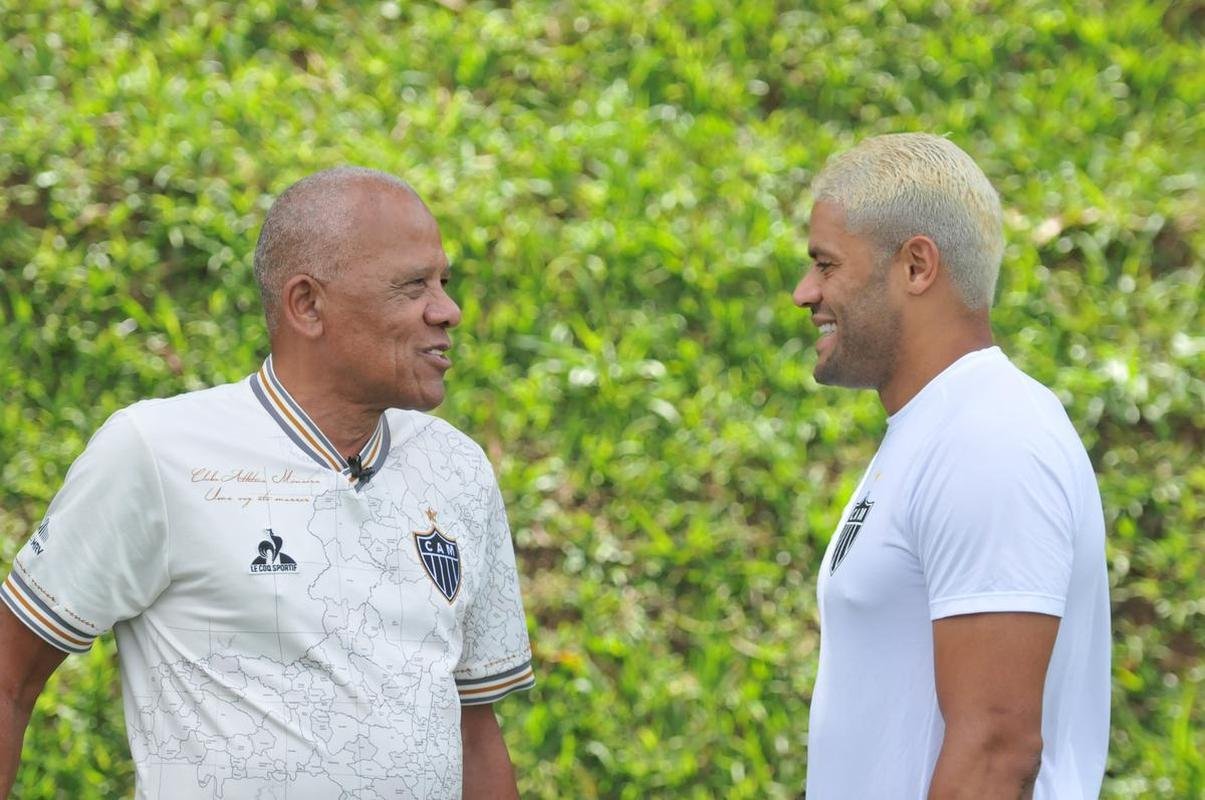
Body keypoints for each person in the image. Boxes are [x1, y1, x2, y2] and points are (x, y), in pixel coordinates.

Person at [0, 167, 535, 799]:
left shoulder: (458, 468)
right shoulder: (157, 454)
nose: (448, 310)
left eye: (443, 281)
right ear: (307, 305)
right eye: (413, 284)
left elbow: (474, 728)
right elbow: (10, 677)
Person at [792, 134, 1110, 798]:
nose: (804, 292)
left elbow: (996, 749)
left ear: (915, 266)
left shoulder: (990, 437)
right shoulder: (935, 431)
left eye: (825, 265)